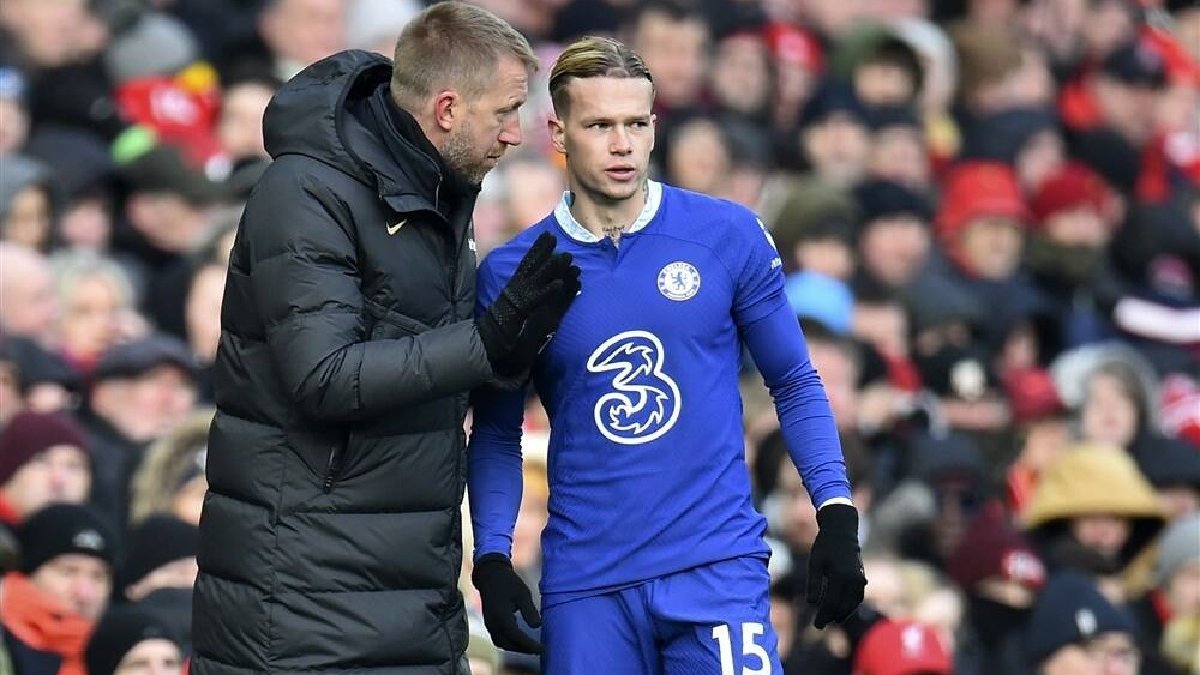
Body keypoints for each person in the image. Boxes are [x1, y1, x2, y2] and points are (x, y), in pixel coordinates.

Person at [191, 2, 581, 673]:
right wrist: (484, 344)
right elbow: (323, 376)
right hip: (304, 606)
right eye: (506, 111)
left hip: (408, 590)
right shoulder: (307, 192)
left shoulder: (436, 189)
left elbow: (422, 371)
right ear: (447, 109)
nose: (516, 133)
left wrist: (509, 357)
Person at [467, 36, 866, 672]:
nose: (622, 144)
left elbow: (793, 379)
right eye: (600, 125)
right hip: (587, 587)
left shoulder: (727, 235)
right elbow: (495, 429)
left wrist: (836, 512)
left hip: (716, 570)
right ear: (559, 132)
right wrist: (492, 555)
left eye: (636, 124)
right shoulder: (515, 271)